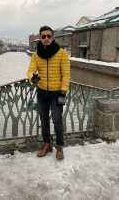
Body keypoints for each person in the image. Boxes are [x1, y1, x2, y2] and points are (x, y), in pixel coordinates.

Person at [27, 25, 70, 160]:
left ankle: (59, 147)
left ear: (53, 37)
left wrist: (63, 90)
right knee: (44, 120)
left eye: (48, 36)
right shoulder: (36, 55)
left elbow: (66, 74)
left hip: (57, 93)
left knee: (57, 121)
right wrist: (32, 77)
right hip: (42, 92)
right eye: (43, 36)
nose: (46, 38)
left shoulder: (62, 53)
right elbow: (30, 70)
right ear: (40, 38)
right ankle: (47, 144)